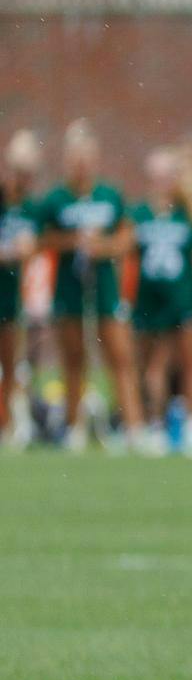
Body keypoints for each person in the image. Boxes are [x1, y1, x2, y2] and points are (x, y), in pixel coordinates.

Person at [38, 120, 144, 451]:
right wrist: (74, 241)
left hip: (104, 286)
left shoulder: (110, 194)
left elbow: (127, 237)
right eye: (75, 157)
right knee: (73, 357)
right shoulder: (55, 198)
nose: (81, 164)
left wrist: (105, 246)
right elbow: (42, 239)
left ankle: (133, 428)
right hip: (69, 288)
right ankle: (75, 426)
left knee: (119, 356)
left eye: (86, 157)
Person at [129, 147, 192, 456]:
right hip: (150, 302)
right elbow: (126, 256)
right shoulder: (139, 215)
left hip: (183, 298)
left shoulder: (189, 215)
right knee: (153, 368)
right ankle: (156, 427)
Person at [0, 130, 43, 450]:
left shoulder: (31, 208)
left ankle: (9, 423)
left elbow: (34, 246)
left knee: (11, 362)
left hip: (12, 296)